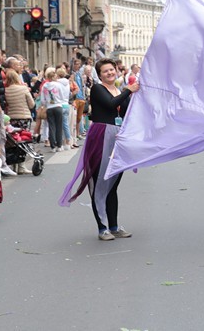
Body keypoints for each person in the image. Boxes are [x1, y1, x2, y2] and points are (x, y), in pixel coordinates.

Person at [60, 58, 140, 241]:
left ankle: (114, 225)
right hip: (101, 137)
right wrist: (129, 90)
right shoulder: (98, 89)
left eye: (112, 70)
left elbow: (125, 111)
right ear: (100, 74)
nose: (110, 73)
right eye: (106, 71)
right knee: (99, 184)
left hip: (117, 138)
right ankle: (102, 227)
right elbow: (111, 105)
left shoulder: (119, 90)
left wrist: (135, 95)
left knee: (113, 185)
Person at [40, 69, 68, 152]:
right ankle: (59, 145)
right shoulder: (58, 85)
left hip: (49, 107)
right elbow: (62, 96)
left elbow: (42, 100)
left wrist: (46, 104)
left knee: (51, 126)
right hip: (58, 106)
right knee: (59, 126)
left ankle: (52, 146)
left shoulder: (45, 86)